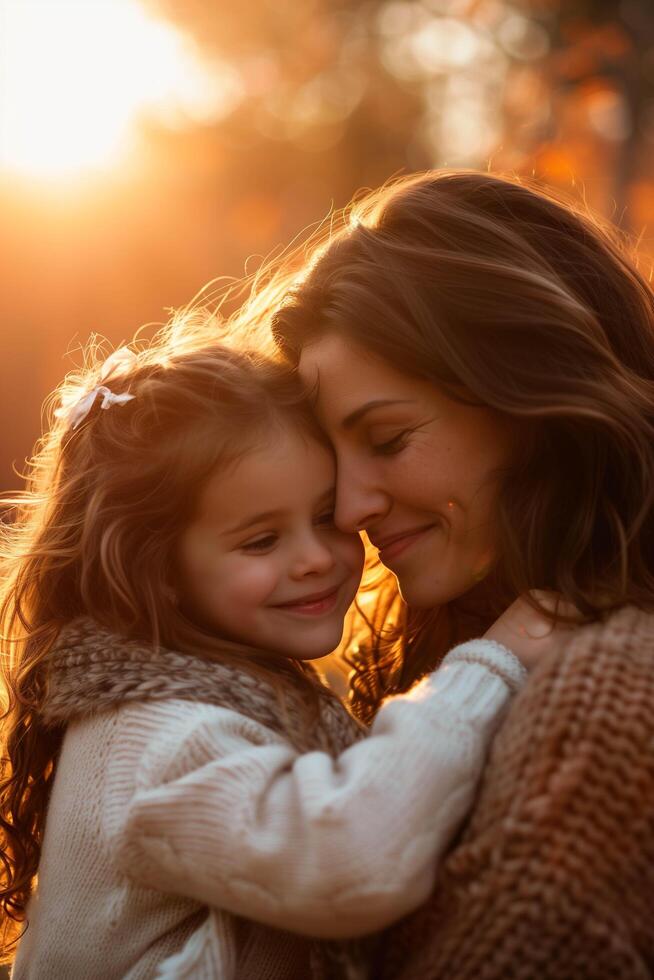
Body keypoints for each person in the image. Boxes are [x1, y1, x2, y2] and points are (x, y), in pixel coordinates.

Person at [0, 319, 554, 979]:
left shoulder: (234, 694)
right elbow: (355, 859)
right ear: (161, 575)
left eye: (325, 517)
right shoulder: (159, 741)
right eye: (262, 541)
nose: (317, 558)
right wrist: (489, 668)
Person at [271, 170, 654, 975]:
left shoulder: (607, 699)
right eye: (327, 458)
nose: (349, 509)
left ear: (527, 395)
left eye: (386, 439)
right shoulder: (465, 651)